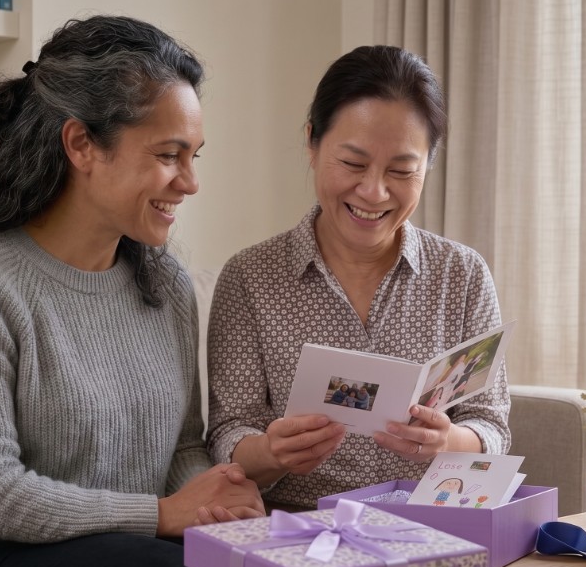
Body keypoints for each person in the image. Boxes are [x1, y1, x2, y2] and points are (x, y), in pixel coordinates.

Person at [0, 15, 264, 567]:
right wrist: (163, 514)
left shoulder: (166, 284)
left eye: (195, 155)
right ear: (81, 145)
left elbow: (184, 448)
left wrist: (218, 497)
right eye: (170, 154)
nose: (190, 182)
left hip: (134, 549)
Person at [207, 45, 510, 510]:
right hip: (298, 533)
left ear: (428, 164)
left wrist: (449, 441)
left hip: (431, 529)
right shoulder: (251, 278)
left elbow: (491, 426)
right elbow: (230, 431)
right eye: (352, 164)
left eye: (401, 170)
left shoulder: (462, 275)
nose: (373, 191)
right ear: (312, 142)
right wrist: (272, 453)